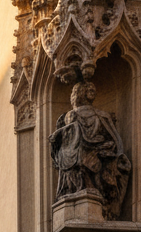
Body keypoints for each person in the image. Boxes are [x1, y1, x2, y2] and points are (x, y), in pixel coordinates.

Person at [50, 80, 131, 220]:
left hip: (93, 155)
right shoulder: (75, 116)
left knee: (78, 156)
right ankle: (79, 189)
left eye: (73, 93)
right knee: (76, 156)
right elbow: (114, 139)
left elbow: (114, 141)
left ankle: (82, 190)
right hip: (86, 155)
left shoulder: (74, 116)